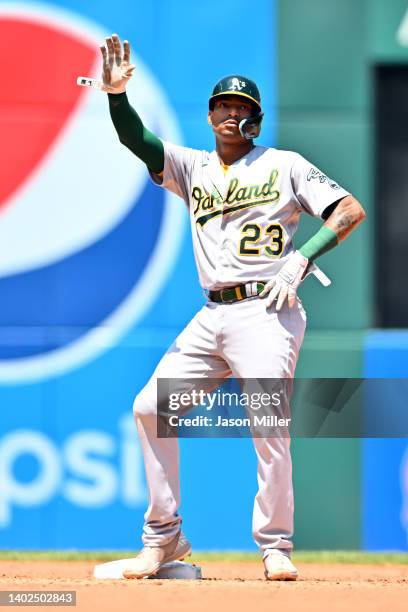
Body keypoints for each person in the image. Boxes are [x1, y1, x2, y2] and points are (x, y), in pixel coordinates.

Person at [98, 34, 365, 580]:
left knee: (268, 425)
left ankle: (275, 545)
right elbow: (138, 141)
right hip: (212, 313)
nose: (231, 114)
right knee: (151, 409)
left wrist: (303, 258)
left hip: (267, 310)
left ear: (256, 120)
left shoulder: (283, 163)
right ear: (211, 113)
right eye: (224, 105)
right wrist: (117, 98)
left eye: (243, 108)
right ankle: (163, 538)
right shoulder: (192, 167)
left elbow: (348, 210)